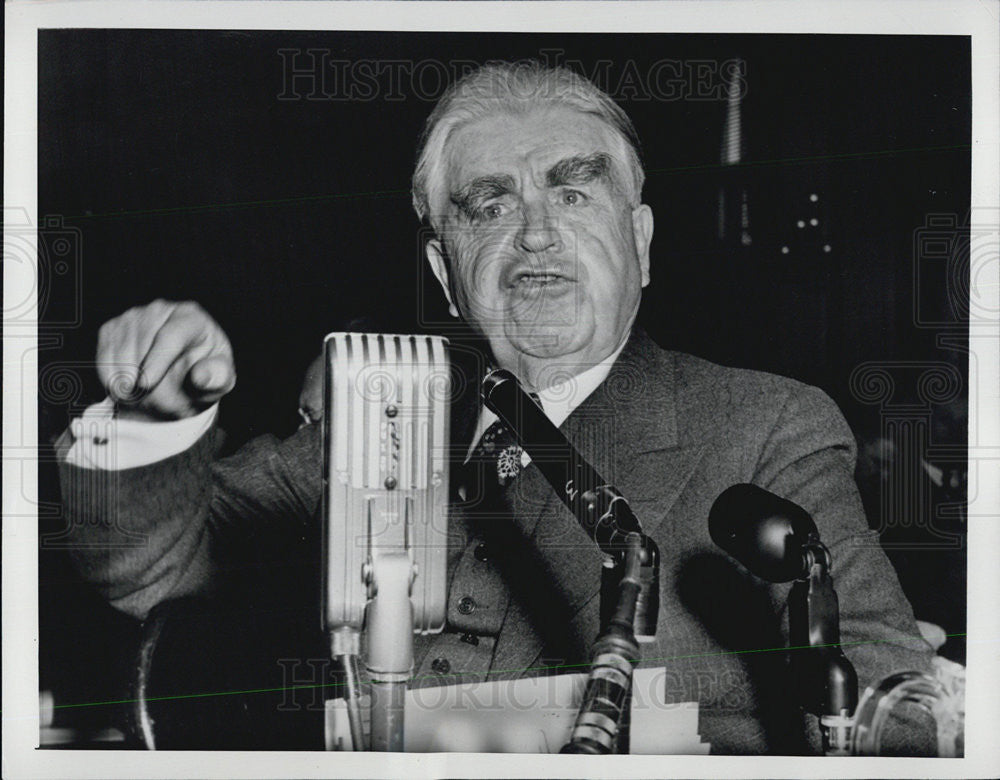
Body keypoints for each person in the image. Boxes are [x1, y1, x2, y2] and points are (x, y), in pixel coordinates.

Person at [57, 61, 933, 754]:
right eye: (490, 205)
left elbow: (889, 713)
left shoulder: (766, 430)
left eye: (574, 191)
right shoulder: (383, 411)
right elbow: (147, 568)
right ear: (444, 274)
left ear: (641, 242)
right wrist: (155, 421)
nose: (537, 232)